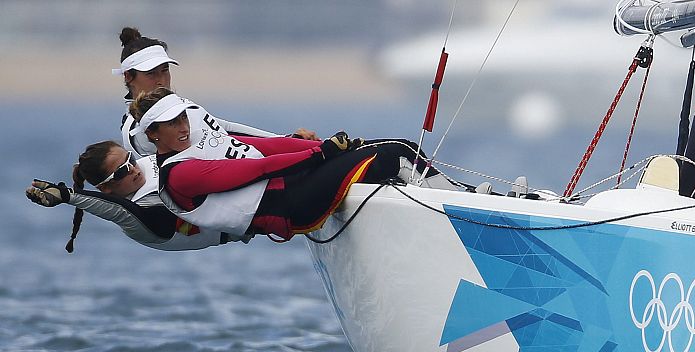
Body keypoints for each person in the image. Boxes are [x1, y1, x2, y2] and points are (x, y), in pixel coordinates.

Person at [128, 88, 458, 241]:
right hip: (290, 207)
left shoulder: (195, 143)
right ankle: (460, 210)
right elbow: (256, 170)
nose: (183, 126)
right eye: (171, 123)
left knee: (395, 146)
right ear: (154, 134)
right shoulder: (181, 174)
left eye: (182, 117)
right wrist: (323, 154)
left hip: (293, 185)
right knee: (395, 154)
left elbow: (264, 147)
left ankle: (458, 197)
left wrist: (321, 145)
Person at [113, 27, 318, 157]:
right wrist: (292, 149)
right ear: (129, 77)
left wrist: (289, 140)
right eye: (151, 74)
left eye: (165, 70)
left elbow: (225, 130)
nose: (161, 80)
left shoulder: (178, 106)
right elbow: (217, 148)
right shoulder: (140, 128)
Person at [25, 141, 251, 252]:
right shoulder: (140, 219)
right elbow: (119, 211)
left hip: (249, 174)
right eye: (122, 171)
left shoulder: (144, 162)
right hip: (255, 215)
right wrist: (68, 196)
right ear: (106, 188)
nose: (133, 169)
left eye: (130, 159)